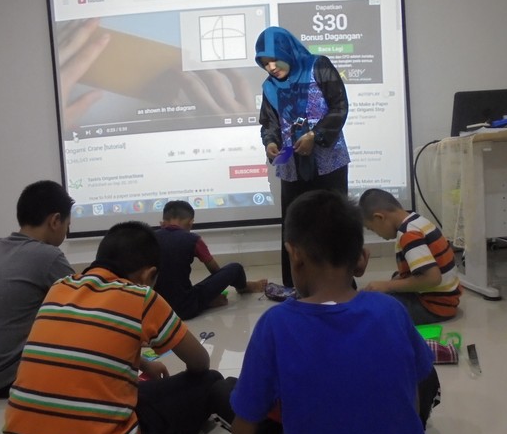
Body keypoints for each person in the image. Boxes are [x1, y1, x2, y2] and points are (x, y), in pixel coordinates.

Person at [224, 190, 436, 434]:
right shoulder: (391, 310)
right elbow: (412, 406)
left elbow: (243, 432)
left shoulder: (275, 325)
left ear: (295, 255)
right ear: (362, 257)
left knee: (224, 391)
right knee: (425, 373)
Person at [2, 221, 224, 434]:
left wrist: (145, 364)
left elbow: (81, 344)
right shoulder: (141, 297)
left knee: (129, 391)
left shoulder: (58, 288)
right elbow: (200, 362)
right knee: (209, 381)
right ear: (149, 275)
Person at [0, 180, 75, 398]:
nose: (66, 231)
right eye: (68, 225)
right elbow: (86, 307)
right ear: (55, 221)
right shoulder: (48, 256)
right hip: (2, 378)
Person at [255, 26, 351, 287]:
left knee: (334, 222)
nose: (271, 67)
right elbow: (269, 123)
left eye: (275, 59)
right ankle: (297, 286)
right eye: (264, 63)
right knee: (295, 227)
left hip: (329, 163)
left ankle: (340, 284)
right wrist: (271, 142)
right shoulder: (269, 87)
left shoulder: (318, 66)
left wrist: (315, 136)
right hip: (293, 168)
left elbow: (339, 106)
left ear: (287, 51)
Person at [358, 188, 462, 325]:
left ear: (379, 217)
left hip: (434, 307)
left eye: (372, 229)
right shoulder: (417, 221)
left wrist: (388, 286)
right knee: (395, 279)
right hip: (447, 299)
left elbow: (432, 278)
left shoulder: (408, 234)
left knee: (375, 310)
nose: (377, 234)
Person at [154, 200, 267, 320]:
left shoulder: (149, 238)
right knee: (235, 268)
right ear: (190, 222)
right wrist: (214, 292)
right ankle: (243, 288)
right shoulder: (193, 240)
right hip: (186, 307)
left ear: (163, 221)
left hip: (158, 309)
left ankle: (207, 301)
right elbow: (215, 271)